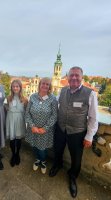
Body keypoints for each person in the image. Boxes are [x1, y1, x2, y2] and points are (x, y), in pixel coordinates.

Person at [49, 67, 98, 198]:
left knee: (76, 159)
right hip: (60, 128)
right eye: (71, 76)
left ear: (82, 77)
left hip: (77, 133)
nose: (74, 78)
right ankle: (57, 165)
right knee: (57, 150)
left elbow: (93, 118)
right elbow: (54, 102)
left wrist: (89, 136)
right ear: (68, 77)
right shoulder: (63, 90)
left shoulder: (90, 93)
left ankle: (72, 177)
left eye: (77, 75)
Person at [25, 78, 57, 174]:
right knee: (34, 146)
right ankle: (37, 159)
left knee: (42, 149)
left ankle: (43, 161)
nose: (45, 86)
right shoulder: (33, 97)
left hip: (45, 131)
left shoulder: (53, 98)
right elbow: (27, 113)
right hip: (33, 129)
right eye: (43, 83)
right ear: (39, 85)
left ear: (50, 86)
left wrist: (45, 128)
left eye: (47, 84)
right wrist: (32, 126)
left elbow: (54, 115)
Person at [6, 79, 28, 167]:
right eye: (13, 86)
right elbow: (7, 107)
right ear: (11, 87)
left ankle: (17, 153)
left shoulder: (25, 99)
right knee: (12, 139)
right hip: (11, 119)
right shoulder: (8, 98)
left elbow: (27, 111)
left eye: (17, 86)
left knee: (18, 139)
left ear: (20, 87)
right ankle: (13, 154)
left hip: (20, 119)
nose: (15, 88)